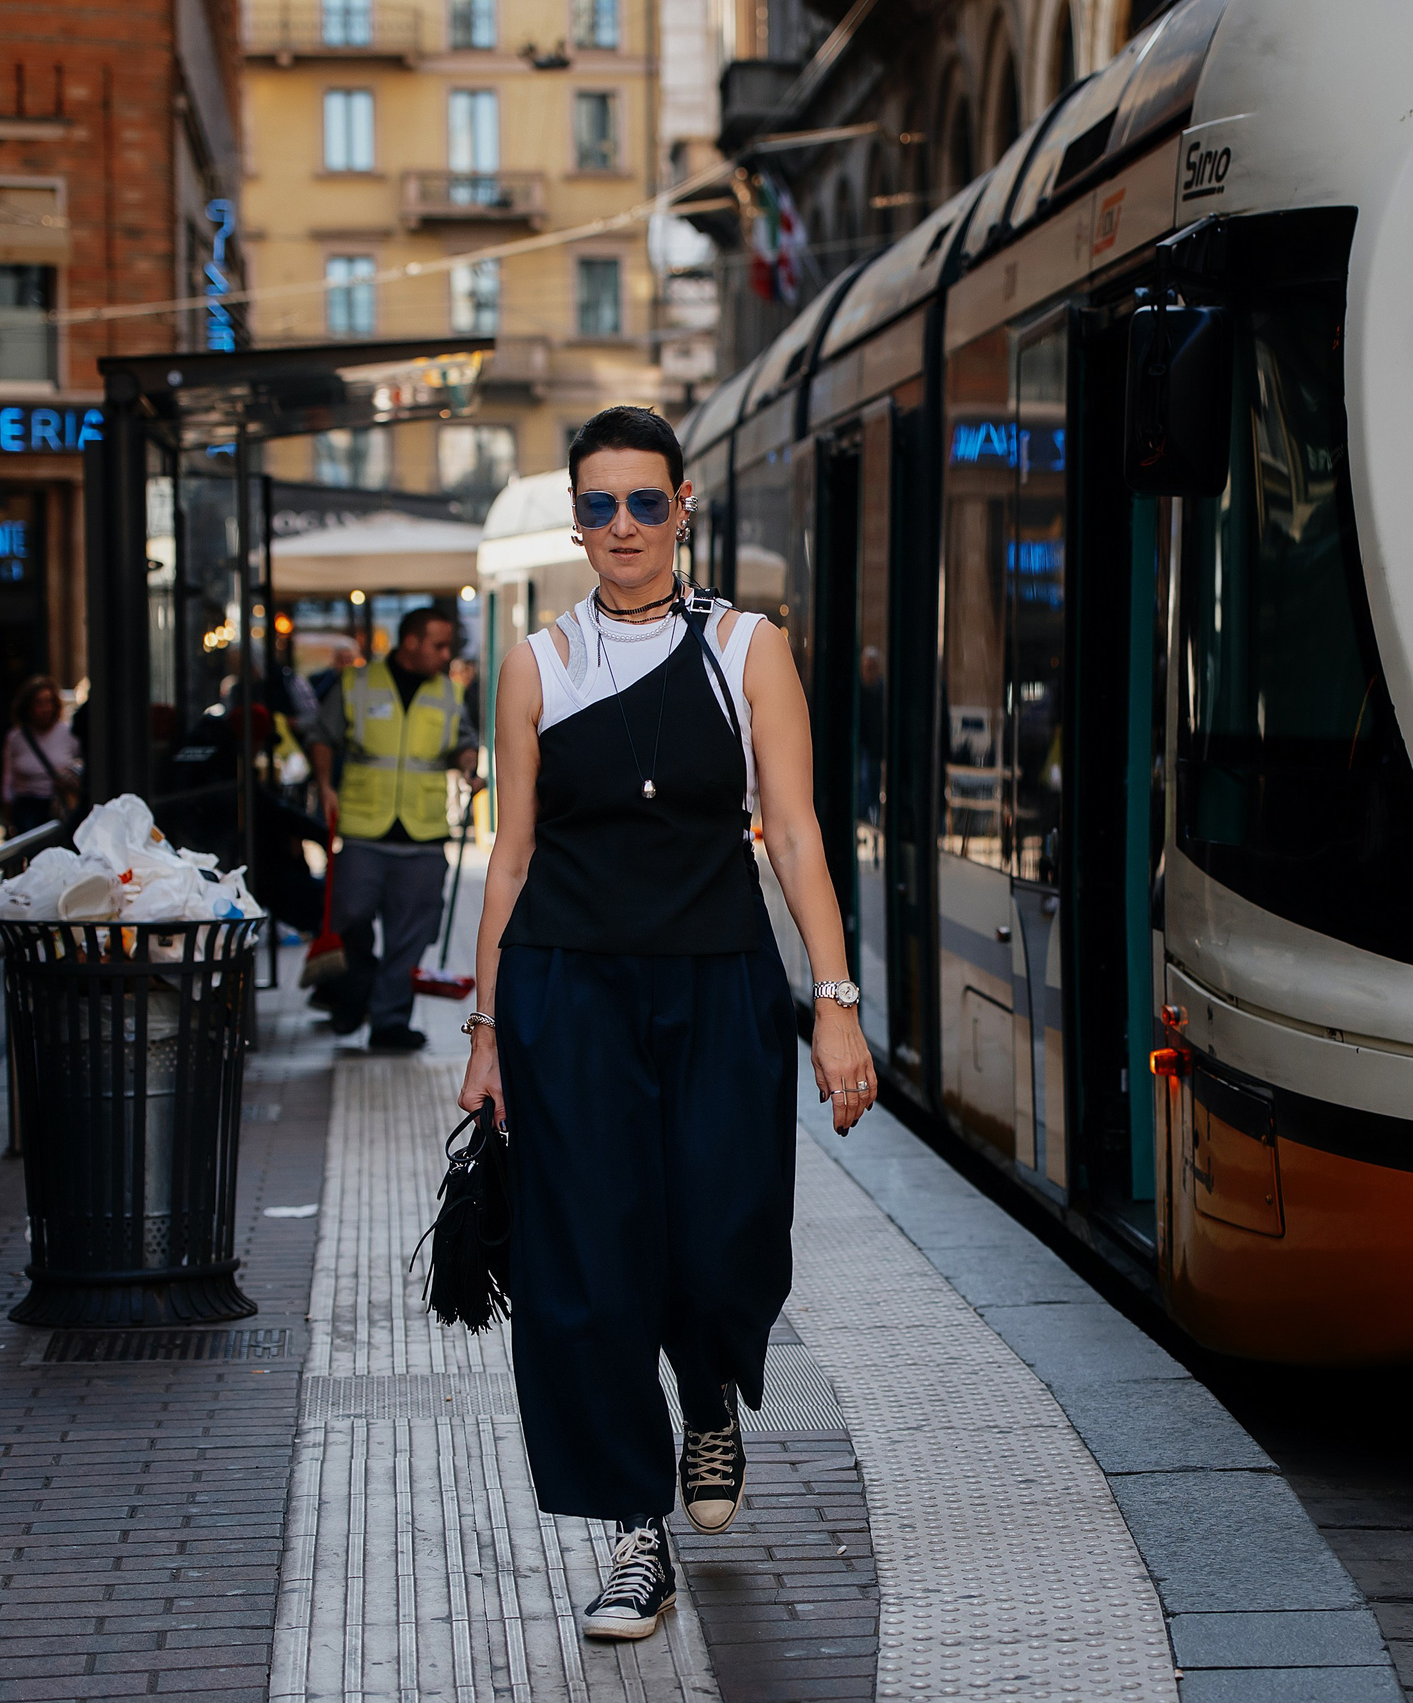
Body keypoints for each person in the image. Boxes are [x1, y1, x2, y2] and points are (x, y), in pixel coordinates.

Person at [457, 407, 876, 1643]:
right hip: (567, 994)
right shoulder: (538, 660)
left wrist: (836, 1007)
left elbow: (794, 833)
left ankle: (710, 1392)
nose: (623, 528)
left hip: (718, 985)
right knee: (588, 1272)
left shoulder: (750, 647)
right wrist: (486, 1032)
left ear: (683, 505)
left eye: (645, 502)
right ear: (575, 519)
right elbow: (510, 857)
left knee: (724, 1230)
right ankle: (634, 1533)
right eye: (599, 506)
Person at [305, 606, 478, 1051]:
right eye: (439, 645)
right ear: (411, 642)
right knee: (349, 915)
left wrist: (469, 766)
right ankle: (357, 988)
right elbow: (322, 735)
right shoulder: (356, 684)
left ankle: (389, 1022)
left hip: (423, 833)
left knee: (412, 934)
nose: (446, 654)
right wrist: (324, 785)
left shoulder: (449, 693)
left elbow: (463, 742)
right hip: (364, 829)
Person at [2, 675, 81, 835]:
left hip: (58, 804)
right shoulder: (16, 738)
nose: (45, 708)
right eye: (38, 702)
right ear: (28, 706)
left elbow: (80, 764)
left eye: (49, 701)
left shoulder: (68, 734)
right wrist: (7, 814)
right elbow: (8, 779)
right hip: (27, 807)